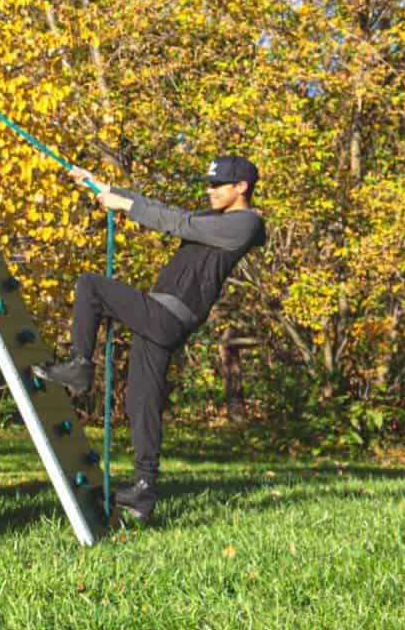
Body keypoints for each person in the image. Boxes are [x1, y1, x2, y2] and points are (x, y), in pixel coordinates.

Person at [34, 155, 267, 522]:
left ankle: (80, 365)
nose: (210, 191)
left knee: (90, 286)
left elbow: (176, 223)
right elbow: (165, 209)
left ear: (242, 188)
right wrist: (105, 188)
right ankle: (143, 491)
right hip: (161, 313)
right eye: (208, 184)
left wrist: (124, 205)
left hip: (170, 313)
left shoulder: (245, 224)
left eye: (218, 185)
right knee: (143, 402)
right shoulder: (216, 218)